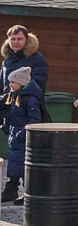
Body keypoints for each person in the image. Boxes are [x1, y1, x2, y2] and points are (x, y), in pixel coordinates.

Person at [2, 66, 42, 203]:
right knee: (14, 164)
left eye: (13, 82)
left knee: (25, 167)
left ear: (22, 83)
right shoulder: (14, 96)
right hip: (15, 135)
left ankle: (29, 194)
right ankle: (11, 190)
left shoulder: (30, 99)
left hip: (22, 137)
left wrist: (22, 134)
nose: (10, 85)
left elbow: (34, 120)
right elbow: (10, 114)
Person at [2, 25, 49, 97]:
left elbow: (38, 84)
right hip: (6, 103)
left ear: (26, 39)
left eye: (19, 39)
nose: (16, 42)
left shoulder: (37, 59)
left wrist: (21, 87)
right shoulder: (7, 60)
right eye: (13, 39)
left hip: (27, 104)